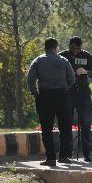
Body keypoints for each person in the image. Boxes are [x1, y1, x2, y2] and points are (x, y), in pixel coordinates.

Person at [27, 37, 76, 167]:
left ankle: (51, 158)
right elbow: (72, 78)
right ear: (56, 47)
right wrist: (65, 88)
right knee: (65, 127)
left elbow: (30, 79)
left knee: (46, 128)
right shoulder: (63, 60)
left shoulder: (38, 60)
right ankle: (64, 156)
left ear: (45, 47)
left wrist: (35, 93)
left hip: (45, 96)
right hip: (62, 95)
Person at [60, 36, 92, 162]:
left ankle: (87, 153)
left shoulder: (86, 56)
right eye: (73, 48)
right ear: (69, 46)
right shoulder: (63, 56)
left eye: (78, 48)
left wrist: (86, 72)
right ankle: (67, 153)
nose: (75, 51)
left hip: (83, 93)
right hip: (68, 93)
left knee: (86, 124)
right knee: (66, 124)